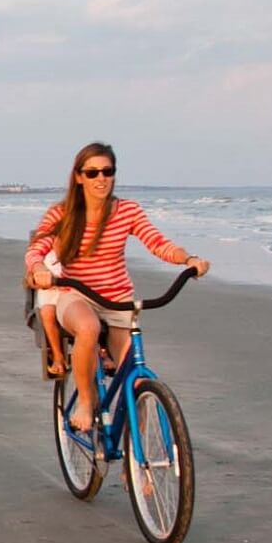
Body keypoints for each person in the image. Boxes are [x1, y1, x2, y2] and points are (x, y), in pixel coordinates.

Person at [23, 142, 209, 432]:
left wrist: (187, 259)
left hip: (118, 299)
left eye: (107, 172)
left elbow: (157, 243)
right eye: (93, 172)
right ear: (79, 177)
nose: (101, 179)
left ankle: (136, 468)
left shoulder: (127, 211)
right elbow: (37, 248)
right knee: (88, 329)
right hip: (76, 296)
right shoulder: (62, 214)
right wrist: (39, 269)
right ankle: (86, 401)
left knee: (136, 382)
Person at [34, 247, 67, 378]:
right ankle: (57, 356)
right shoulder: (45, 248)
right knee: (48, 313)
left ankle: (102, 352)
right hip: (50, 291)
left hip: (75, 290)